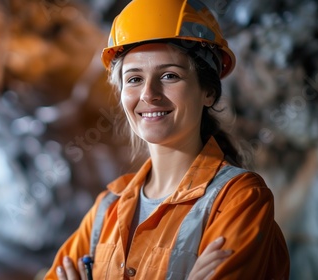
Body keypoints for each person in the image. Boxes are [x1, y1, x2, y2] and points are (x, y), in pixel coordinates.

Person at [45, 0, 290, 279]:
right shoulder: (107, 209)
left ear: (208, 92)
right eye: (134, 79)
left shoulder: (239, 200)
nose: (149, 94)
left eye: (170, 75)